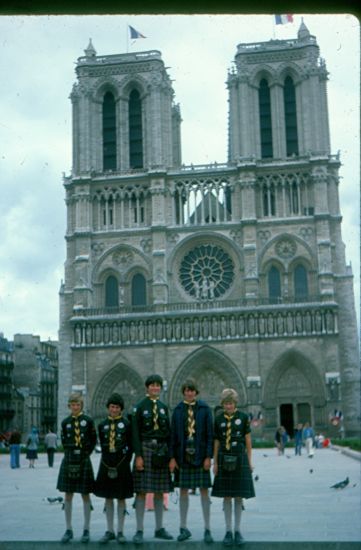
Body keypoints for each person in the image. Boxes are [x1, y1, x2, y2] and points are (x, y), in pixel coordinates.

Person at [169, 379, 214, 543]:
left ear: (196, 392)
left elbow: (210, 434)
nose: (189, 393)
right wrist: (172, 458)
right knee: (183, 491)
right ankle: (183, 527)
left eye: (192, 390)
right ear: (183, 392)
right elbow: (172, 436)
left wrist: (209, 456)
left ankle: (207, 528)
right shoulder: (178, 410)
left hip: (201, 456)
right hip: (182, 456)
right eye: (186, 390)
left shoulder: (204, 409)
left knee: (204, 491)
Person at [131, 374, 173, 545]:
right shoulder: (139, 407)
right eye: (152, 385)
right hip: (146, 449)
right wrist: (138, 456)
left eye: (158, 385)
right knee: (141, 492)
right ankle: (139, 529)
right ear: (147, 387)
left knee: (159, 491)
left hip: (161, 451)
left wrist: (170, 457)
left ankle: (159, 528)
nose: (155, 388)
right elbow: (135, 433)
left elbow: (169, 433)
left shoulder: (164, 407)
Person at [212, 389, 255, 547]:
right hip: (224, 457)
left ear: (235, 403)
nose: (228, 406)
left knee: (238, 496)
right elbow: (216, 442)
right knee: (226, 497)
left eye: (230, 403)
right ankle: (228, 531)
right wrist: (215, 462)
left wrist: (249, 461)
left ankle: (238, 530)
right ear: (222, 404)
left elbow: (248, 441)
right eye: (225, 403)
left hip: (240, 458)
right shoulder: (218, 419)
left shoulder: (243, 418)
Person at [57, 393, 97, 544]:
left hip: (83, 458)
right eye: (72, 405)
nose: (75, 407)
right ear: (69, 406)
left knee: (85, 494)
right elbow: (64, 439)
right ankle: (68, 529)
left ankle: (86, 529)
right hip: (69, 458)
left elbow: (93, 440)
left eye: (78, 405)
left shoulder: (88, 421)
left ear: (81, 406)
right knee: (68, 495)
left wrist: (86, 454)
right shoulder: (65, 422)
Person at [94, 393, 133, 544]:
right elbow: (102, 445)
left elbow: (130, 446)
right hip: (106, 464)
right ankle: (109, 530)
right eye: (112, 407)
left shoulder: (127, 424)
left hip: (121, 464)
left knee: (121, 498)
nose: (114, 410)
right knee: (108, 498)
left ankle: (120, 531)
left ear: (121, 409)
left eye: (117, 407)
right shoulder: (102, 425)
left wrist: (125, 462)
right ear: (108, 408)